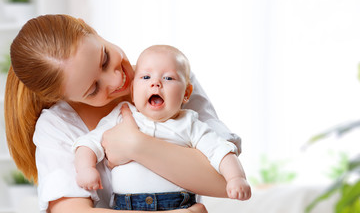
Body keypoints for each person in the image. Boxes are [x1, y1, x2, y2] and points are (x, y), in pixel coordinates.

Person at [4, 14, 242, 213]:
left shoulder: (169, 77)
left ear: (91, 29)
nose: (117, 79)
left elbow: (223, 181)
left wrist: (135, 146)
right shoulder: (57, 126)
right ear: (64, 97)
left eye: (105, 59)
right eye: (93, 89)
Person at [73, 45, 251, 210]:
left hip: (178, 204)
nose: (156, 83)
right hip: (126, 206)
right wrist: (85, 168)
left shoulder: (189, 123)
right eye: (145, 77)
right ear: (133, 92)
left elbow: (221, 151)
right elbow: (89, 143)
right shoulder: (122, 114)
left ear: (186, 94)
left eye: (168, 78)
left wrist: (236, 178)